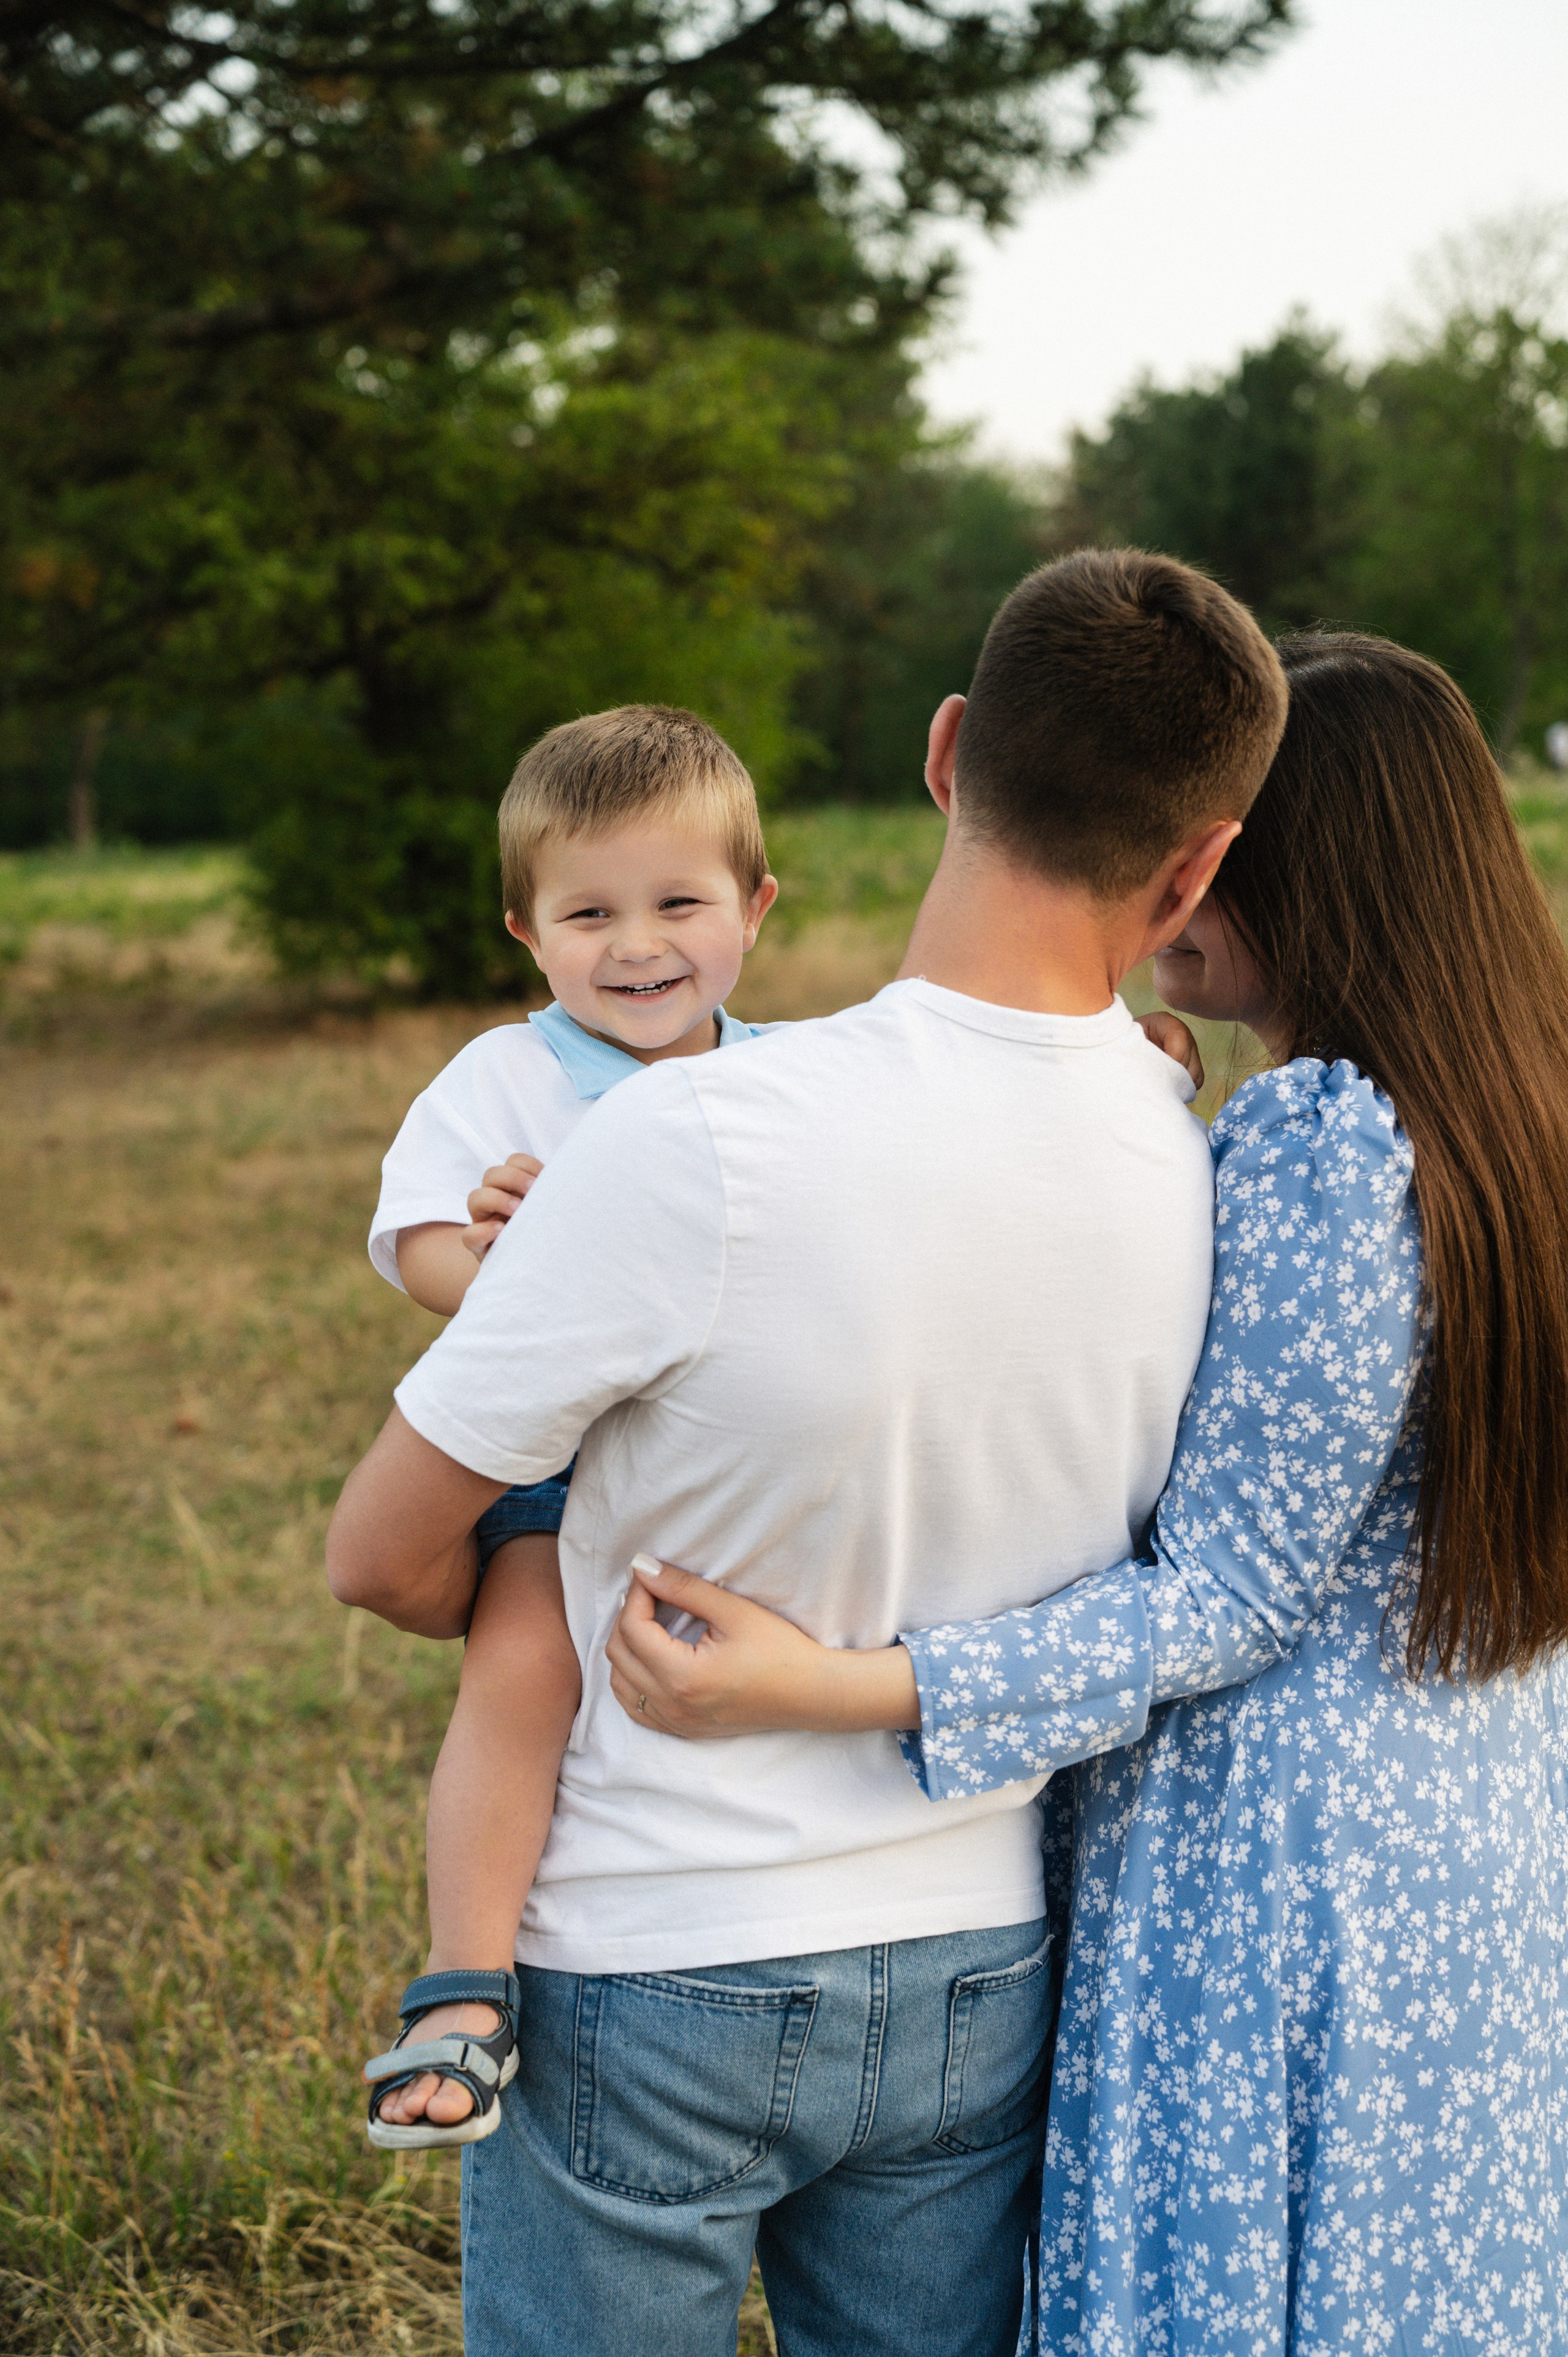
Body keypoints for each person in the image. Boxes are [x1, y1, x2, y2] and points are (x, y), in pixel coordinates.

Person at [325, 548, 1289, 2357]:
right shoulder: (1197, 1154)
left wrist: (544, 1587)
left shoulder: (695, 1133)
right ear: (1197, 864)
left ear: (945, 752)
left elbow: (375, 1556)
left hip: (656, 1954)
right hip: (984, 1959)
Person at [609, 633, 1568, 2355]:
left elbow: (1231, 1593)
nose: (1155, 880)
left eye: (1198, 843)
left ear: (1296, 864)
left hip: (1273, 1861)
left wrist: (834, 1683)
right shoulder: (1516, 1126)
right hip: (1480, 1835)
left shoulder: (1324, 1144)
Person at [360, 704, 780, 2145]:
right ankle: (465, 1987)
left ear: (754, 907)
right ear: (526, 933)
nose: (635, 944)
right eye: (588, 913)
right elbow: (415, 1241)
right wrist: (497, 1257)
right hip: (559, 1472)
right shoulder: (505, 1076)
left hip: (736, 1463)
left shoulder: (784, 1076)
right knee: (523, 1661)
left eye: (678, 903)